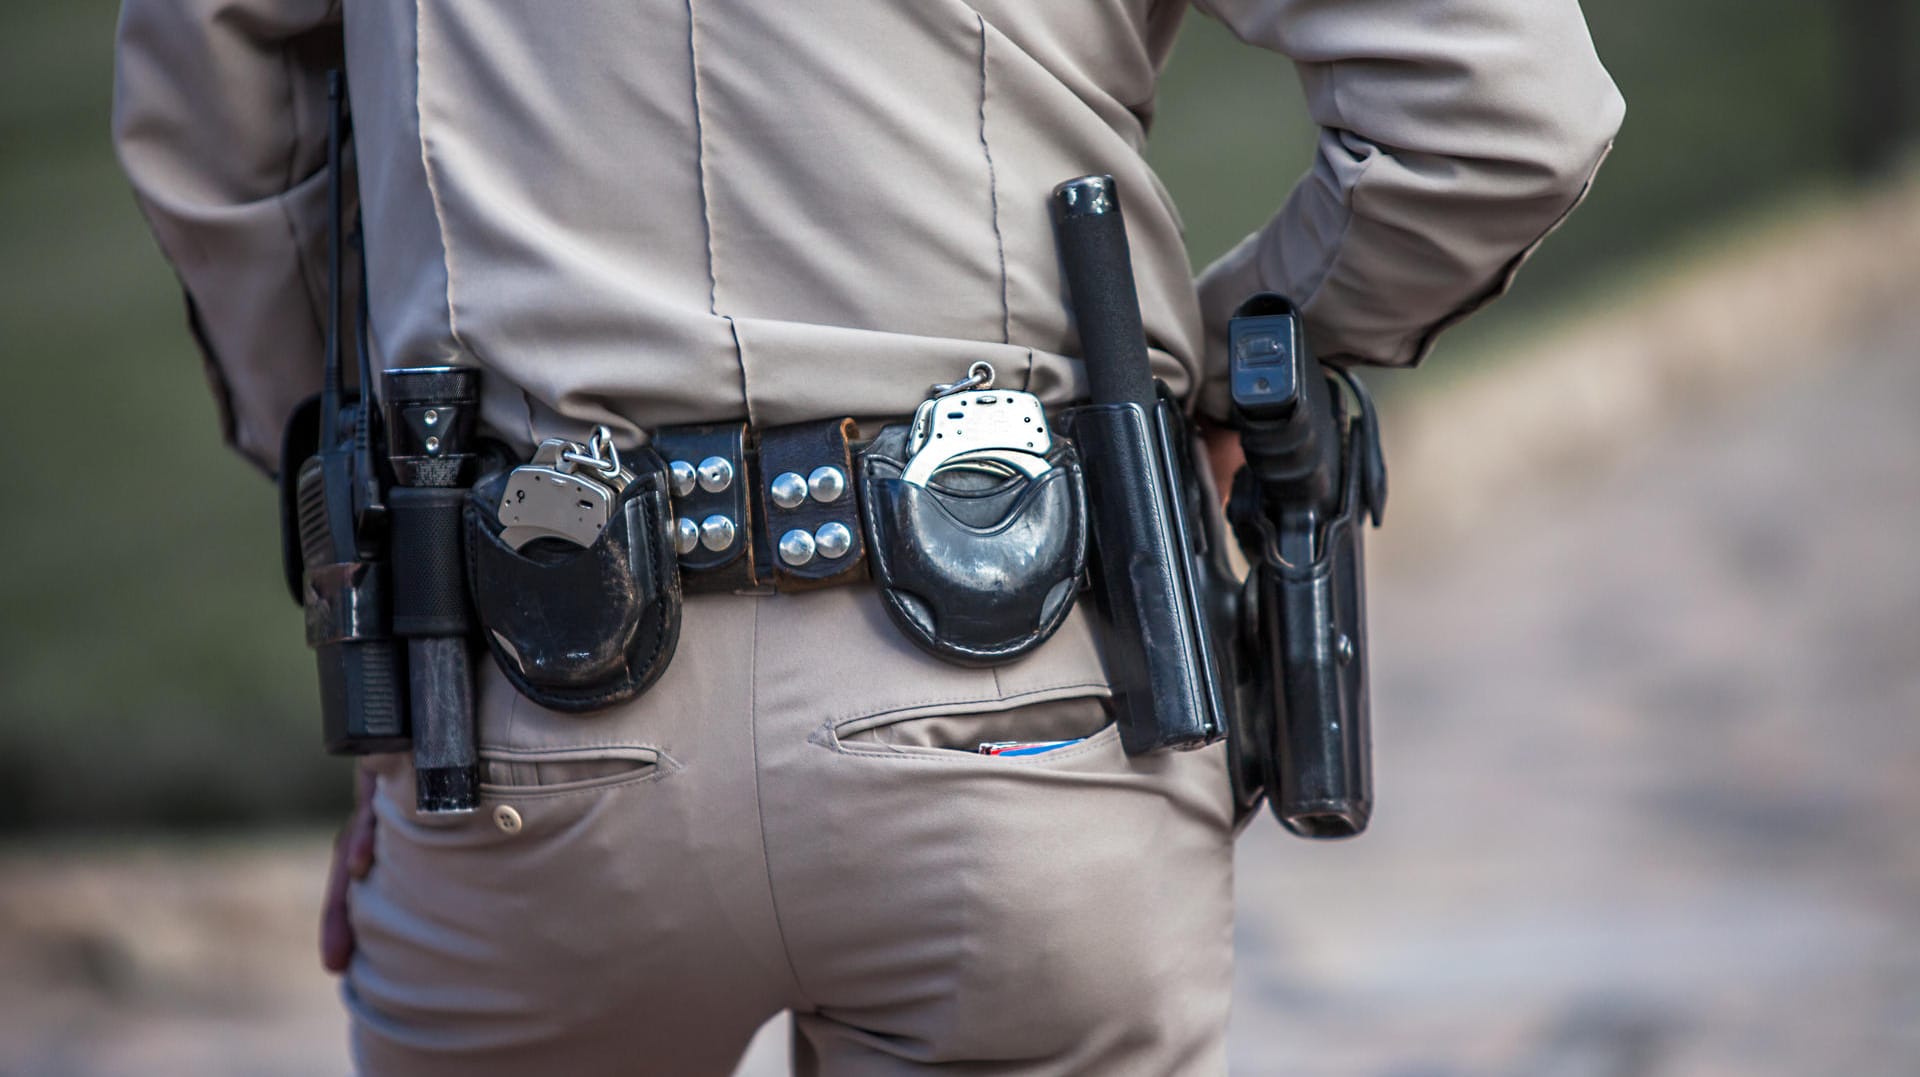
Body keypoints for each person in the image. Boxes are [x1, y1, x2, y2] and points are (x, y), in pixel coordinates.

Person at [113, 0, 1622, 1072]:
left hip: (522, 713)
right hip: (1031, 701)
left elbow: (218, 133)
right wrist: (1215, 379)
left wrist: (381, 572)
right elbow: (1501, 115)